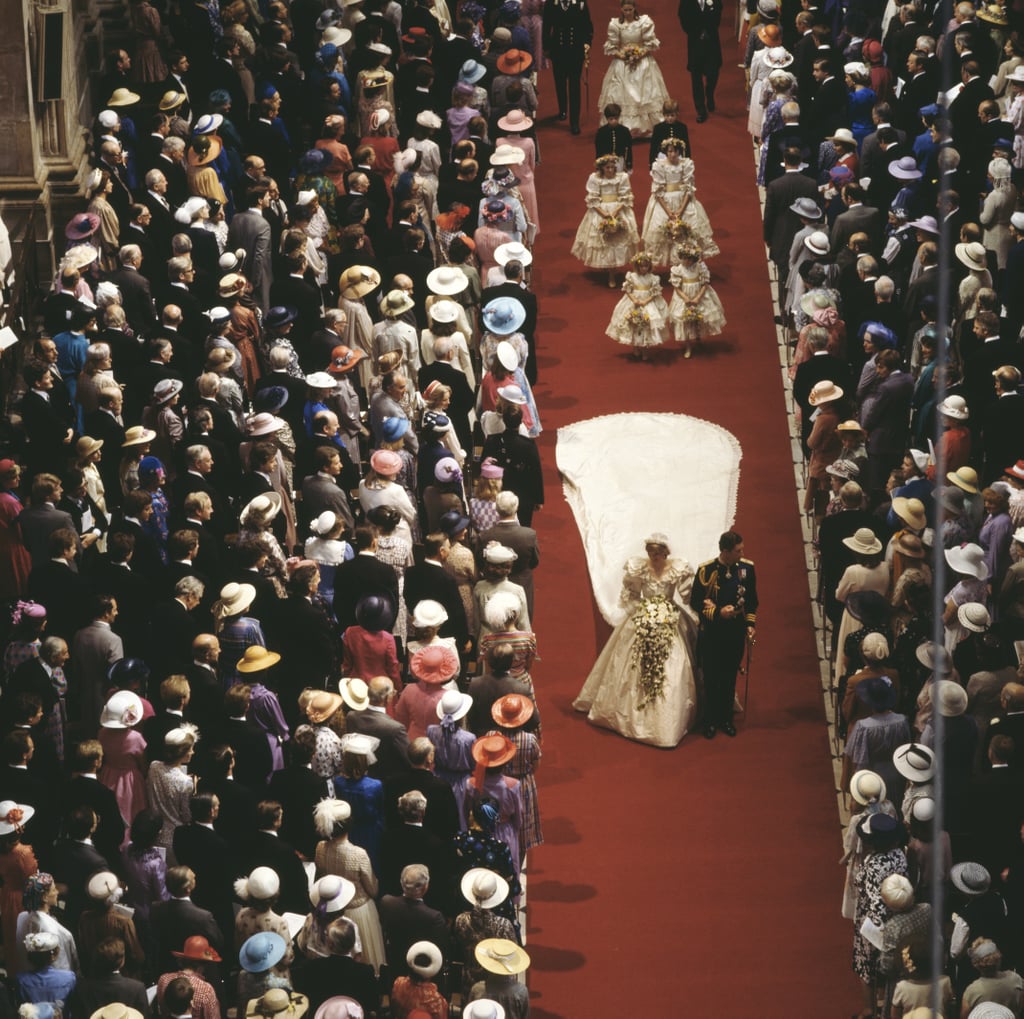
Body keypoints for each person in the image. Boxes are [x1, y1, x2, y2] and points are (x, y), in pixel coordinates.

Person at [573, 532, 698, 747]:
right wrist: (641, 614)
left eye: (659, 553)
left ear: (666, 553)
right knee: (628, 664)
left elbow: (688, 596)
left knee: (672, 666)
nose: (654, 556)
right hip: (643, 618)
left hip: (669, 617)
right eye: (651, 552)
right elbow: (630, 596)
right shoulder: (639, 568)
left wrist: (695, 614)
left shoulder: (676, 569)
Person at [691, 530, 758, 739]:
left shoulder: (747, 569)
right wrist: (718, 613)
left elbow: (752, 601)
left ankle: (725, 718)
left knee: (729, 677)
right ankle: (710, 720)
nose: (742, 553)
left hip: (735, 633)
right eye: (738, 550)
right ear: (726, 552)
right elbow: (695, 602)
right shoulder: (706, 571)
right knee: (711, 677)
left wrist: (749, 624)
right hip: (712, 634)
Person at [596, 0, 670, 137]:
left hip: (642, 63)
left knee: (647, 93)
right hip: (622, 64)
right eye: (625, 10)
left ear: (634, 9)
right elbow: (612, 47)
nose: (628, 13)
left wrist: (638, 54)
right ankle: (624, 128)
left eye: (630, 10)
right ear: (621, 10)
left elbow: (650, 44)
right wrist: (624, 55)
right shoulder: (616, 24)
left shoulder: (644, 22)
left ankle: (647, 128)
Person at [570, 155, 641, 288]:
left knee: (618, 241)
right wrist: (604, 214)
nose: (610, 170)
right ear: (602, 168)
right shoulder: (595, 179)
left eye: (612, 167)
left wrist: (615, 212)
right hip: (601, 211)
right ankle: (610, 271)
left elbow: (625, 197)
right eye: (607, 167)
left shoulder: (622, 177)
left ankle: (613, 272)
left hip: (617, 210)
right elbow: (593, 199)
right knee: (604, 243)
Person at [605, 251, 670, 361]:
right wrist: (634, 299)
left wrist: (646, 301)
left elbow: (655, 293)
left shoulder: (653, 278)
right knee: (633, 324)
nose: (644, 268)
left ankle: (645, 349)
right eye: (641, 266)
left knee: (646, 325)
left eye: (646, 266)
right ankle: (635, 346)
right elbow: (628, 290)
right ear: (637, 266)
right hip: (634, 303)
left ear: (649, 266)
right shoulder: (632, 277)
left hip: (647, 303)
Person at [542, 0, 593, 135]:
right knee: (560, 81)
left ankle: (574, 121)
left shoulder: (580, 3)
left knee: (574, 85)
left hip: (575, 49)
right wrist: (546, 47)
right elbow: (546, 25)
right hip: (558, 49)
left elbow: (587, 25)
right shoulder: (551, 3)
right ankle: (562, 109)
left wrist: (587, 42)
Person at [668, 241, 726, 359]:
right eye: (684, 259)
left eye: (689, 259)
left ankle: (699, 336)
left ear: (694, 259)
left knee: (700, 316)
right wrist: (686, 298)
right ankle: (688, 345)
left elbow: (705, 283)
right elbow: (677, 287)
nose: (687, 262)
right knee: (685, 320)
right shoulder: (677, 270)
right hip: (684, 297)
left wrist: (697, 297)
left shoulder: (700, 267)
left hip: (699, 295)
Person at [677, 0, 722, 122]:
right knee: (696, 77)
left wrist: (708, 31)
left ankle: (710, 94)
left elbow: (718, 13)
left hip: (712, 40)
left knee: (713, 73)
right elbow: (683, 17)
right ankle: (701, 109)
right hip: (695, 42)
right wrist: (697, 32)